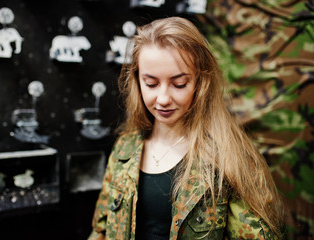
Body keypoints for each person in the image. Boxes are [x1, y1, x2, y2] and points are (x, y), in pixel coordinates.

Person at [88, 16, 283, 240]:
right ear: (137, 81)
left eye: (179, 84)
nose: (163, 99)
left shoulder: (228, 157)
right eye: (151, 83)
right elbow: (100, 230)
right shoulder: (124, 149)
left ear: (201, 82)